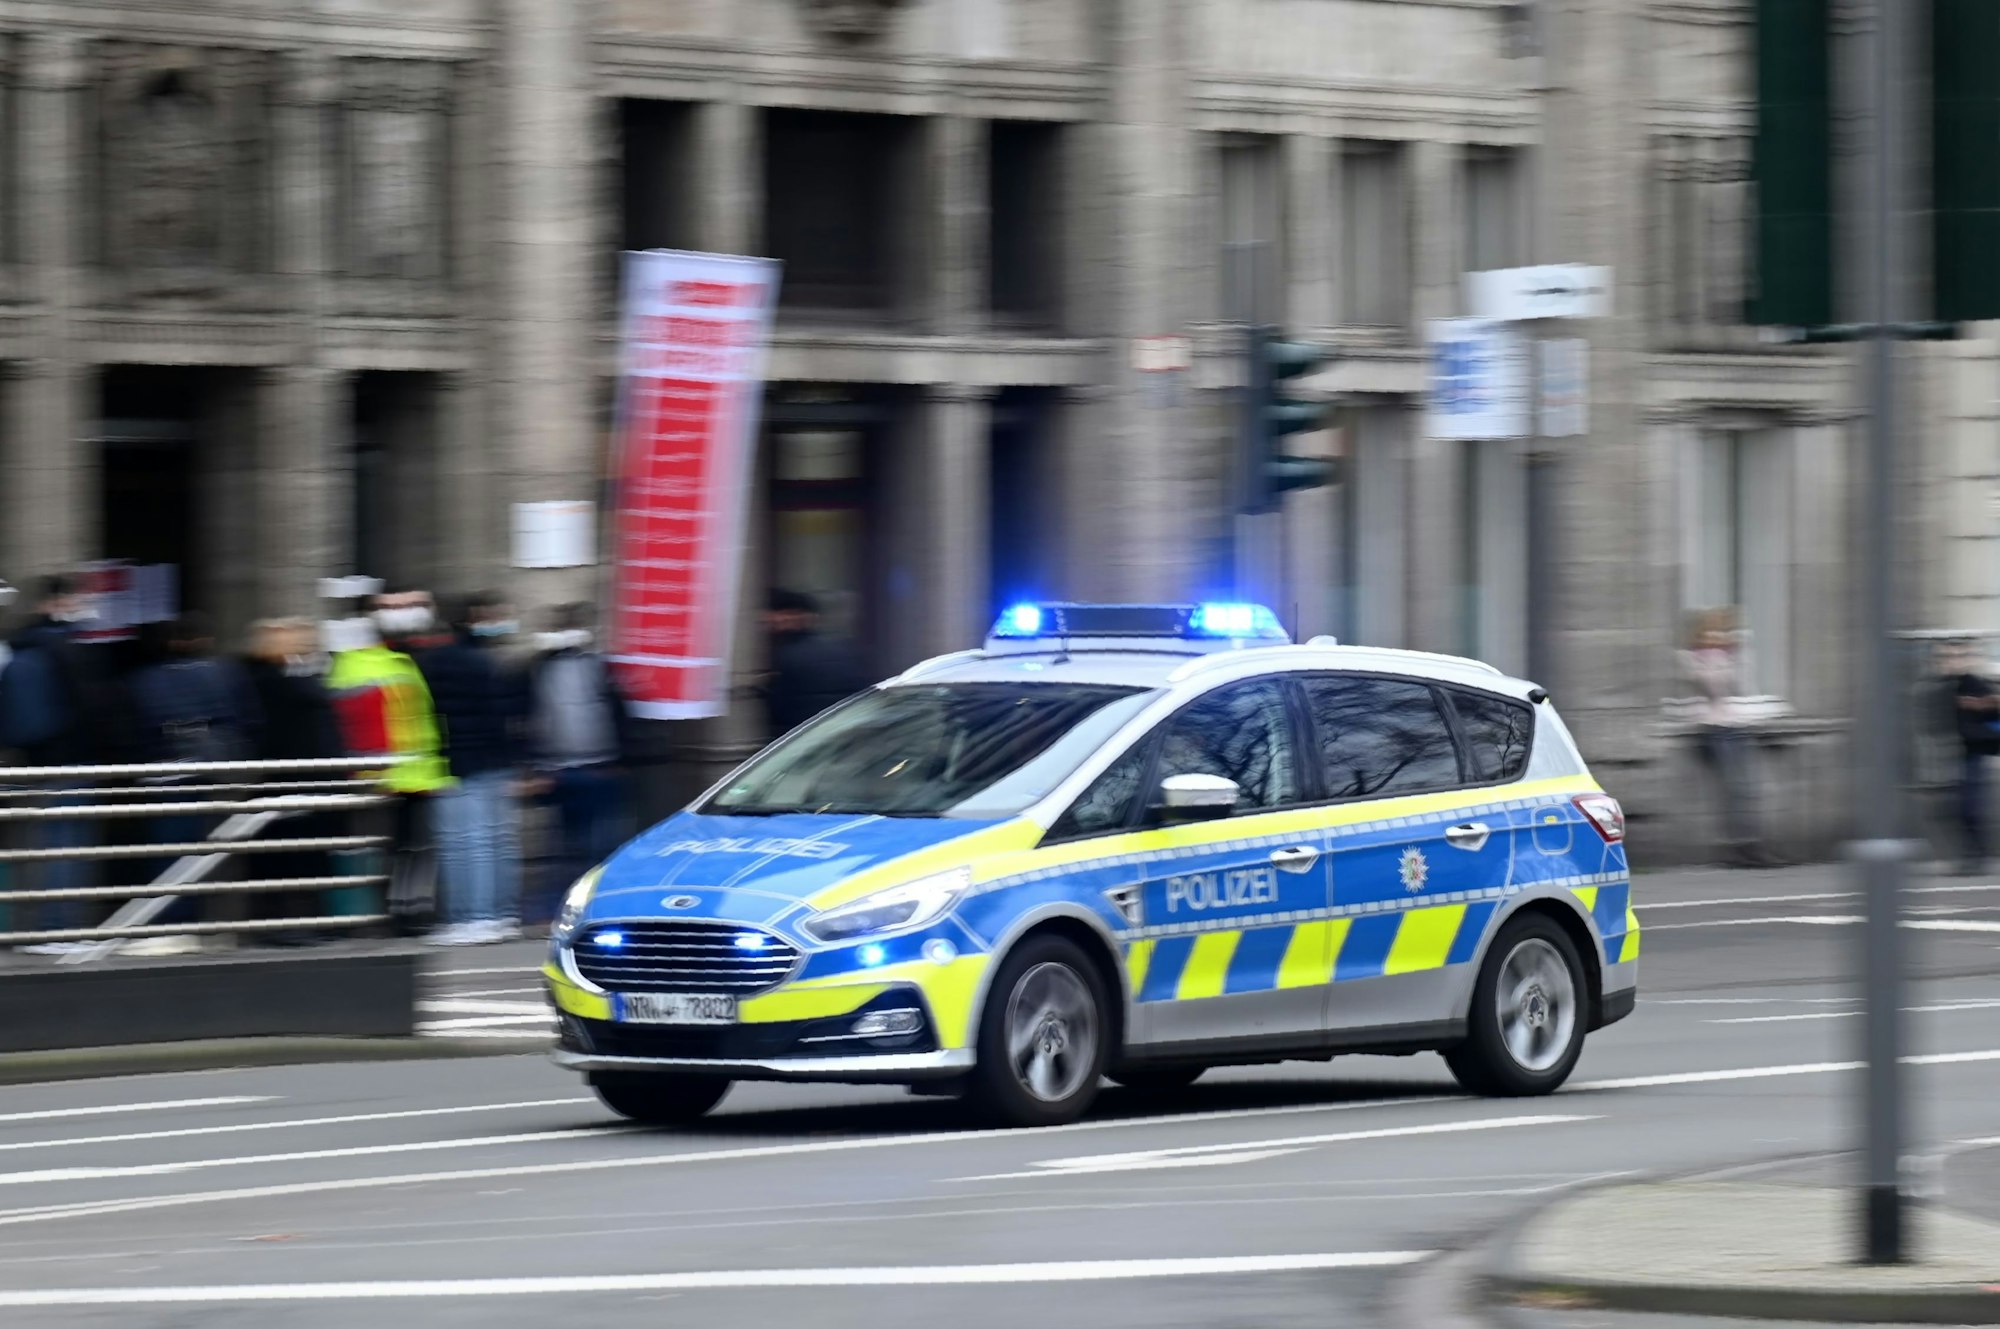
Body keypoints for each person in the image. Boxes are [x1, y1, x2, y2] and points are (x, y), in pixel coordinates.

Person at [128, 613, 258, 953]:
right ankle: (219, 926)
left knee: (170, 852)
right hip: (220, 773)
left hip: (168, 774)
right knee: (218, 852)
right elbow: (248, 718)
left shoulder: (146, 680)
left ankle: (171, 927)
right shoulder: (226, 674)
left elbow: (140, 724)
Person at [0, 575, 117, 949]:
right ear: (58, 602)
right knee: (65, 845)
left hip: (37, 760)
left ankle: (43, 927)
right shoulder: (62, 645)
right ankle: (54, 929)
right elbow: (90, 704)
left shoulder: (21, 646)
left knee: (50, 844)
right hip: (68, 760)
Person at [325, 591, 453, 934]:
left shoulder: (403, 660)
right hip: (376, 775)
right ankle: (376, 914)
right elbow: (350, 725)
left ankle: (410, 912)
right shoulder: (352, 664)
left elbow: (423, 718)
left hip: (417, 773)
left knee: (414, 850)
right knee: (379, 850)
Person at [419, 592, 526, 945]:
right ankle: (501, 914)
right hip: (494, 761)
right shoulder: (487, 660)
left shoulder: (438, 661)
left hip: (458, 762)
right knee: (497, 842)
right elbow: (503, 716)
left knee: (464, 845)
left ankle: (472, 918)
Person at [527, 603, 635, 924]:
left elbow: (621, 711)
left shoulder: (602, 667)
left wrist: (622, 758)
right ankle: (562, 907)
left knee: (601, 844)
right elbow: (531, 717)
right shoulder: (539, 668)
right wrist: (535, 766)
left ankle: (603, 907)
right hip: (559, 770)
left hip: (600, 767)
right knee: (564, 845)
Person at [242, 619, 346, 943]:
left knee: (300, 854)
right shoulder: (274, 682)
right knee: (292, 856)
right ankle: (291, 922)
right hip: (291, 781)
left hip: (300, 780)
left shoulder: (281, 679)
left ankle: (301, 920)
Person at [1678, 607, 1779, 869]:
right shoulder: (1699, 658)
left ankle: (1751, 846)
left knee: (1747, 790)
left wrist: (1738, 655)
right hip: (1717, 730)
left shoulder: (1728, 655)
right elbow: (1715, 686)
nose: (1718, 637)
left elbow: (1743, 684)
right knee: (1735, 791)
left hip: (1736, 725)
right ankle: (1738, 848)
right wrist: (1720, 661)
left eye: (1721, 631)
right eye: (1712, 631)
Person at [761, 588, 866, 740]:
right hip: (838, 736)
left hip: (802, 740)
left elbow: (783, 709)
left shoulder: (788, 656)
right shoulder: (842, 649)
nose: (772, 620)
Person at [1941, 641, 2000, 875]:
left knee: (1969, 807)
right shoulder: (1953, 685)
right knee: (1961, 808)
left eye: (1957, 656)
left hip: (1973, 753)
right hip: (1959, 752)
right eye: (1948, 656)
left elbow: (1995, 710)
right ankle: (1972, 856)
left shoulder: (1974, 683)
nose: (1951, 660)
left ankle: (1975, 857)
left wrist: (1978, 704)